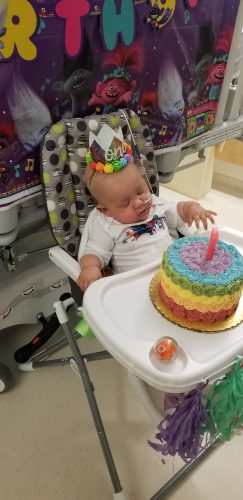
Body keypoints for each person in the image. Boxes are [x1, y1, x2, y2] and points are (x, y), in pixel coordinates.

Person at [77, 126, 217, 291]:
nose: (138, 202)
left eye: (140, 191)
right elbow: (94, 252)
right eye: (125, 203)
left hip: (176, 273)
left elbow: (180, 210)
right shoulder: (106, 224)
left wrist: (194, 209)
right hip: (137, 287)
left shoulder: (156, 205)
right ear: (105, 209)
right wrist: (90, 268)